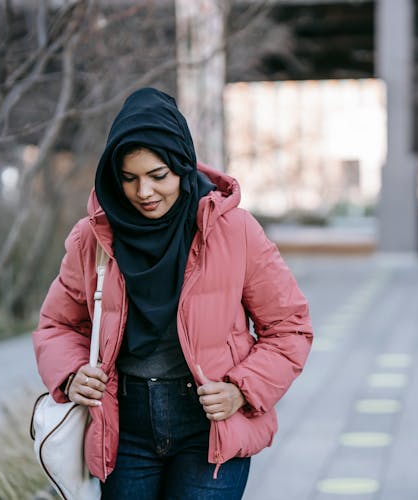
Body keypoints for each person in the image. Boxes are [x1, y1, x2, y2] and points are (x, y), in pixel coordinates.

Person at [33, 87, 313, 499]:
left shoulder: (233, 231)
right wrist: (73, 375)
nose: (143, 192)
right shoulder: (92, 238)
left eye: (157, 175)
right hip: (123, 430)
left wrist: (241, 390)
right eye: (128, 179)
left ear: (182, 167)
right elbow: (58, 323)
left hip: (209, 429)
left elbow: (291, 327)